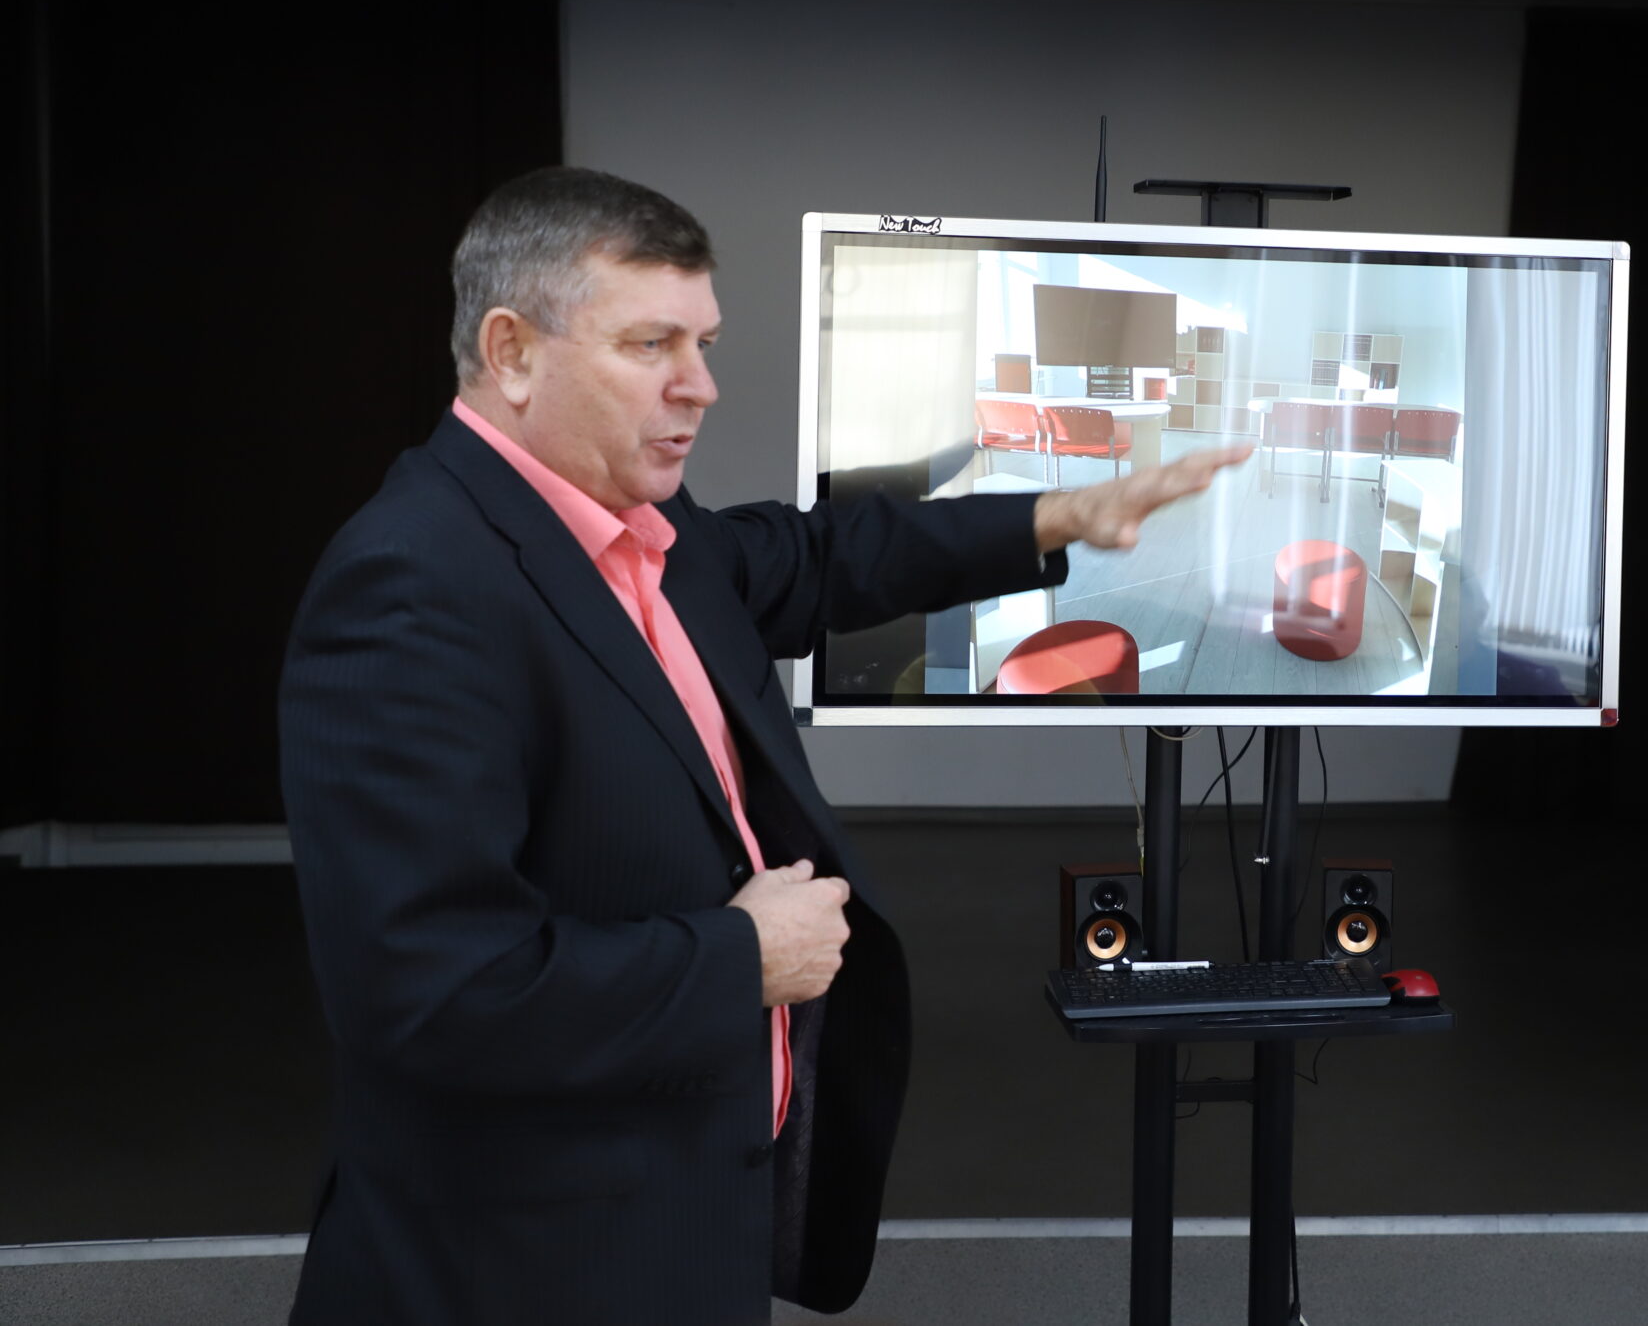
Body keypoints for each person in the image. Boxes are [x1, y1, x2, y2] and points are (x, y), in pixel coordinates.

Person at [279, 167, 1247, 1326]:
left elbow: (817, 557)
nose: (699, 385)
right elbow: (432, 996)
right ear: (511, 351)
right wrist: (740, 961)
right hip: (519, 1271)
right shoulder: (412, 588)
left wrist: (1060, 517)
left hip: (673, 1226)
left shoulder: (646, 530)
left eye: (702, 343)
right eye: (650, 344)